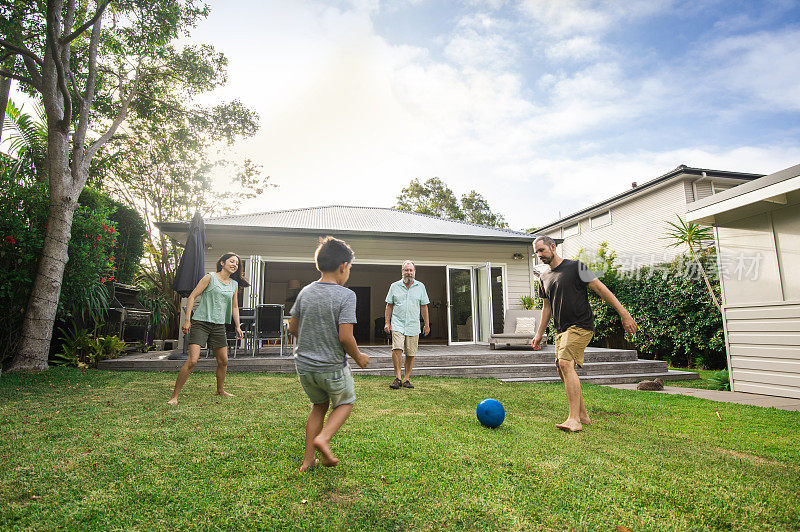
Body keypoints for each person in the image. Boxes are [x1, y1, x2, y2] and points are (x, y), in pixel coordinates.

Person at [531, 236, 637, 432]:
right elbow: (547, 307)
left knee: (565, 363)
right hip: (561, 329)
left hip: (581, 325)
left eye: (542, 250)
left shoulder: (576, 267)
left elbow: (601, 289)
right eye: (536, 252)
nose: (539, 255)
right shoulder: (544, 277)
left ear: (553, 247)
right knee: (561, 368)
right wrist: (539, 334)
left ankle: (574, 420)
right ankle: (582, 415)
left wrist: (624, 313)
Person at [288, 236, 369, 472]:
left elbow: (292, 328)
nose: (349, 272)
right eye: (350, 268)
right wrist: (359, 357)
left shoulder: (305, 292)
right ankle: (323, 439)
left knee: (318, 406)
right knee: (345, 403)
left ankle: (307, 461)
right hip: (331, 368)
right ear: (343, 266)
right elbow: (345, 337)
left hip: (304, 367)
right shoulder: (346, 295)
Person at [168, 252, 248, 405]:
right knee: (192, 361)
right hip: (201, 322)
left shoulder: (234, 284)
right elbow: (192, 297)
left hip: (218, 325)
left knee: (223, 360)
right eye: (231, 262)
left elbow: (235, 306)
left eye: (237, 263)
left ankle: (220, 390)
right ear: (222, 263)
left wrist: (238, 326)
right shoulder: (209, 277)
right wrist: (187, 320)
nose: (234, 265)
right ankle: (174, 396)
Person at [384, 260, 430, 390]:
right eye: (406, 270)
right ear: (402, 271)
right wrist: (387, 322)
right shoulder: (394, 286)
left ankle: (406, 379)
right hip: (397, 323)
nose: (408, 272)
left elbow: (424, 307)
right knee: (397, 348)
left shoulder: (421, 287)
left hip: (413, 325)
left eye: (410, 270)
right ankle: (398, 377)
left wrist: (426, 324)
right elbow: (389, 305)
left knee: (410, 353)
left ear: (414, 272)